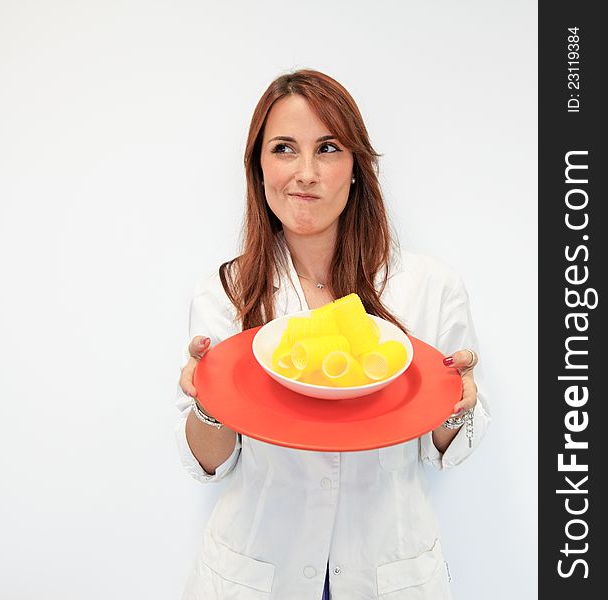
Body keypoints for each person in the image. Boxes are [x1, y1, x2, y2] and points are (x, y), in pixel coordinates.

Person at [174, 69, 491, 599]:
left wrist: (457, 404)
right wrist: (208, 402)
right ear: (258, 168)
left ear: (355, 167)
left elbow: (449, 452)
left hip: (387, 570)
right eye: (283, 149)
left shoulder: (430, 286)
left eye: (326, 148)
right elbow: (210, 463)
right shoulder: (226, 291)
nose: (305, 173)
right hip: (256, 571)